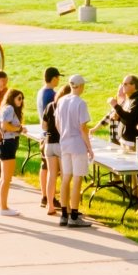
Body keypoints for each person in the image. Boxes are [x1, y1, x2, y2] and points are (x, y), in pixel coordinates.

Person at [55, 73, 95, 228]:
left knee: (66, 177)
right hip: (77, 144)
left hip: (64, 142)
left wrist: (64, 135)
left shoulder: (61, 101)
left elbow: (58, 123)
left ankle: (64, 213)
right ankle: (74, 215)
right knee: (77, 179)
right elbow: (83, 128)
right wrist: (89, 148)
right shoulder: (80, 103)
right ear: (81, 87)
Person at [0, 72, 24, 215]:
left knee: (4, 178)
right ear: (12, 98)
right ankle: (3, 207)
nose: (21, 101)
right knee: (7, 178)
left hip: (5, 144)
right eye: (19, 98)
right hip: (8, 143)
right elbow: (5, 125)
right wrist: (19, 128)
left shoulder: (6, 108)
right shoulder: (9, 108)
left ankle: (2, 206)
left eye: (22, 99)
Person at [39, 67, 65, 215]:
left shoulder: (41, 93)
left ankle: (47, 200)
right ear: (54, 78)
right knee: (63, 175)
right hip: (59, 141)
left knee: (49, 172)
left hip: (47, 138)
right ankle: (63, 204)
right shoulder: (52, 97)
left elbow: (44, 123)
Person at [104, 75, 138, 152]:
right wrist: (118, 117)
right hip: (123, 139)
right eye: (122, 83)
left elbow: (130, 118)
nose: (122, 86)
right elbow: (126, 116)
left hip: (131, 142)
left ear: (133, 85)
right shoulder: (129, 99)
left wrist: (115, 105)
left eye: (125, 84)